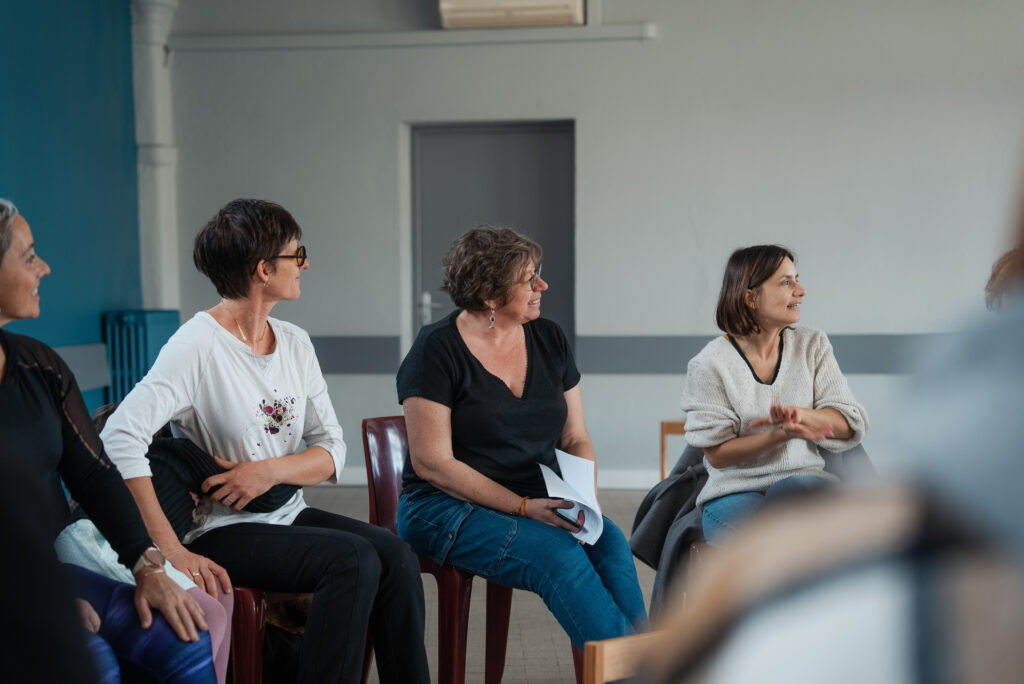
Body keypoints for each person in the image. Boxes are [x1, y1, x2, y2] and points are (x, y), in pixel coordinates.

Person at [100, 198, 429, 684]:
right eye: (296, 256)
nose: (305, 264)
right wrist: (169, 550)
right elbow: (119, 436)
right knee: (351, 559)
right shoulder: (197, 345)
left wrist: (267, 472)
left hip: (286, 512)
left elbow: (332, 448)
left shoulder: (295, 342)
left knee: (396, 556)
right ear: (262, 270)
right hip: (218, 528)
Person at [396, 225, 647, 649]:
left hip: (535, 496)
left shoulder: (549, 338)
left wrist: (586, 498)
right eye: (529, 279)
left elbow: (575, 436)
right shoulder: (436, 349)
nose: (542, 285)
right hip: (443, 506)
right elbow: (433, 464)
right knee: (557, 555)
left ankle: (648, 668)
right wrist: (522, 507)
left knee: (611, 544)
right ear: (491, 296)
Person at [0, 198, 217, 682]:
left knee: (185, 639)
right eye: (29, 255)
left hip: (43, 571)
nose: (45, 267)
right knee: (92, 665)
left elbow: (96, 476)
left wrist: (148, 568)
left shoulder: (40, 366)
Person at [682, 244, 868, 545]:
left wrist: (803, 416)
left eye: (797, 279)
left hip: (803, 479)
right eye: (786, 282)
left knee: (793, 496)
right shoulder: (709, 364)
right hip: (734, 490)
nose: (801, 291)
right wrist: (778, 436)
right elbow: (716, 454)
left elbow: (848, 422)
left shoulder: (813, 345)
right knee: (769, 542)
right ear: (750, 296)